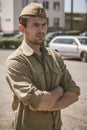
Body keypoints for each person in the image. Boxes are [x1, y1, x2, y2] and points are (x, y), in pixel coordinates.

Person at [6, 2, 80, 130]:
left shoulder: (54, 56)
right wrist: (60, 90)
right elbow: (40, 103)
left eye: (44, 24)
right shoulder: (16, 61)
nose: (42, 30)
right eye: (35, 25)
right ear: (22, 28)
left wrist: (49, 104)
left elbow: (74, 92)